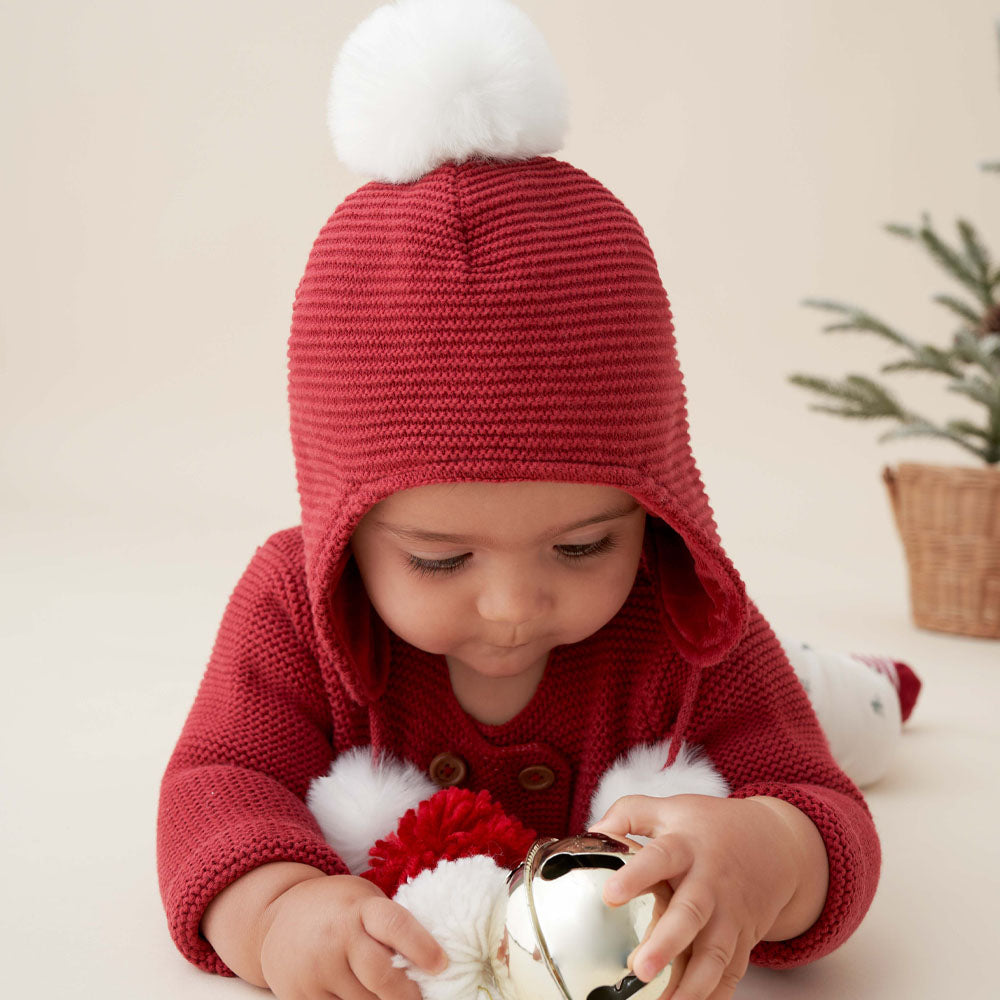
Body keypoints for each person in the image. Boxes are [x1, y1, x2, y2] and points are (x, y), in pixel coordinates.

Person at [156, 1, 895, 998]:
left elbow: (817, 799)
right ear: (343, 529)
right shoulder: (293, 608)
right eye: (438, 558)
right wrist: (278, 905)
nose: (511, 607)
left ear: (656, 512)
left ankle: (867, 682)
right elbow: (217, 783)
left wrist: (767, 854)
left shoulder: (680, 621)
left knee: (832, 711)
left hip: (779, 693)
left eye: (584, 545)